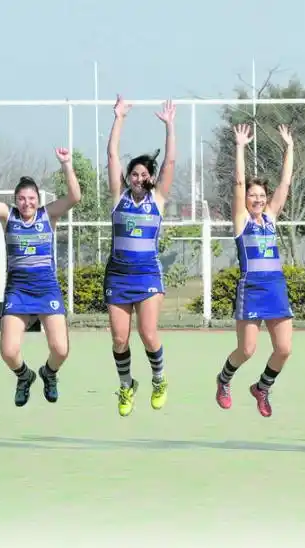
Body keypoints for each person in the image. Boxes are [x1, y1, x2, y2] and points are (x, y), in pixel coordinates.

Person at [0, 147, 82, 407]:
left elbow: (74, 196)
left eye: (31, 198)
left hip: (47, 290)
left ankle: (48, 373)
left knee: (61, 350)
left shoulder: (48, 215)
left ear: (38, 199)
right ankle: (25, 376)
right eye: (22, 198)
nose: (27, 203)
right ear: (15, 199)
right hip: (18, 292)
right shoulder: (8, 216)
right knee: (8, 352)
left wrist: (66, 164)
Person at [214, 123, 294, 418]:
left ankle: (262, 387)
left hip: (275, 287)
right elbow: (237, 183)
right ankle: (223, 380)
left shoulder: (271, 218)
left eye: (261, 195)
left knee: (283, 349)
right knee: (246, 350)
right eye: (253, 195)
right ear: (246, 199)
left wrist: (290, 148)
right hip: (252, 287)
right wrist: (239, 148)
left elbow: (284, 185)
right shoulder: (241, 221)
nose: (258, 199)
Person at [105, 95, 177, 417]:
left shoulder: (158, 199)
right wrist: (119, 117)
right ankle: (126, 385)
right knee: (120, 339)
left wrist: (170, 127)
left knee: (148, 334)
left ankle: (159, 380)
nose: (137, 178)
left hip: (147, 274)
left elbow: (171, 164)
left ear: (150, 177)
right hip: (118, 275)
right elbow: (111, 154)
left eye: (143, 174)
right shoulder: (117, 196)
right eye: (133, 174)